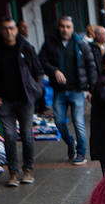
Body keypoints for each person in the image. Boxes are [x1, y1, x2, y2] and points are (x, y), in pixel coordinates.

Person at [0, 17, 45, 187]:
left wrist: (36, 90)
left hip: (25, 99)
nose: (9, 32)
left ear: (16, 29)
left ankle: (28, 169)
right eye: (5, 28)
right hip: (4, 101)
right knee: (9, 136)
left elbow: (38, 70)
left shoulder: (25, 48)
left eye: (11, 28)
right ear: (0, 30)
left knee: (26, 134)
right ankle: (13, 172)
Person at [39, 15, 97, 164]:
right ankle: (71, 142)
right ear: (58, 27)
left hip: (77, 90)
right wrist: (54, 71)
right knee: (59, 122)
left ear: (73, 28)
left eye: (68, 27)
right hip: (59, 90)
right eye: (62, 26)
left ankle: (81, 153)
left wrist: (92, 89)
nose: (65, 30)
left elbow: (91, 66)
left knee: (79, 122)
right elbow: (41, 61)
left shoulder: (81, 44)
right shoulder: (51, 43)